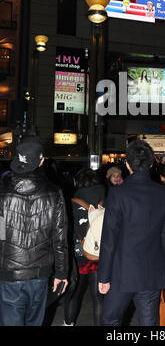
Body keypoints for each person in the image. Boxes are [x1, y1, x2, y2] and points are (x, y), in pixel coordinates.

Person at [97, 139, 165, 326]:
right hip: (152, 270)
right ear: (152, 163)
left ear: (128, 164)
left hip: (121, 272)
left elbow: (109, 238)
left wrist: (104, 276)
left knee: (111, 319)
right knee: (149, 322)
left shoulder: (118, 193)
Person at [0, 136, 69, 326]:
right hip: (40, 275)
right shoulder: (55, 193)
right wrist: (62, 274)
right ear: (41, 161)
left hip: (9, 275)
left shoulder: (3, 193)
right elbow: (60, 239)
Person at [63, 168, 106, 326]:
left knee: (74, 293)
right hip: (100, 253)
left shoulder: (73, 202)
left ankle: (68, 323)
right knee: (98, 297)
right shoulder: (106, 199)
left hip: (79, 254)